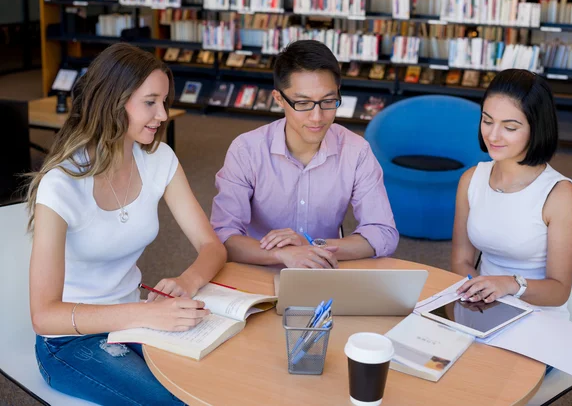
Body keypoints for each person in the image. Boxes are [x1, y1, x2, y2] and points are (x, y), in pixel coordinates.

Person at [27, 43, 226, 405]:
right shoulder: (61, 185)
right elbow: (44, 317)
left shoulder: (158, 159)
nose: (163, 114)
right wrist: (148, 313)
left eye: (163, 101)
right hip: (71, 341)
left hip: (134, 321)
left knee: (220, 382)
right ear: (113, 101)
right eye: (150, 102)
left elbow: (212, 246)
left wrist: (186, 281)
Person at [210, 40, 399, 268]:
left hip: (324, 266)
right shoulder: (246, 150)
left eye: (328, 101)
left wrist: (313, 245)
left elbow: (383, 233)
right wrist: (281, 255)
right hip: (258, 266)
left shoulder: (356, 151)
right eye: (303, 103)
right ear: (279, 99)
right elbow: (222, 235)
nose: (317, 117)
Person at [451, 69, 572, 320]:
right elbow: (460, 262)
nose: (492, 135)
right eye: (487, 121)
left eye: (509, 127)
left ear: (536, 129)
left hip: (539, 317)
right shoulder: (471, 180)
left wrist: (510, 285)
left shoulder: (559, 195)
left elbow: (559, 291)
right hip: (482, 308)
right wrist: (483, 294)